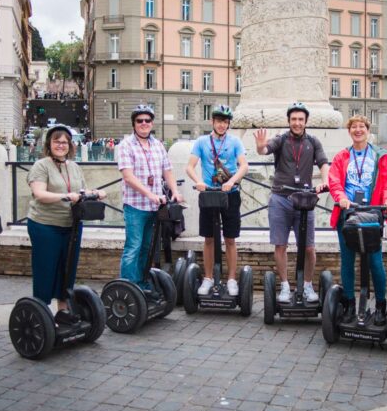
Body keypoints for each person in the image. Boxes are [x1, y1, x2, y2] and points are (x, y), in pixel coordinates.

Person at [26, 124, 105, 324]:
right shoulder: (41, 166)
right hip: (45, 225)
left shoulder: (74, 166)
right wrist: (65, 196)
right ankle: (41, 312)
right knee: (46, 268)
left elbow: (81, 191)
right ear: (49, 144)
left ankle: (63, 309)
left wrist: (94, 193)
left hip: (71, 225)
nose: (61, 145)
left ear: (70, 145)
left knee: (67, 268)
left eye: (64, 142)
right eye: (56, 141)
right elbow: (39, 194)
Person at [254, 102, 329, 304]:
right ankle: (286, 285)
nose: (297, 123)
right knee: (280, 245)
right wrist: (260, 146)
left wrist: (325, 181)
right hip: (280, 198)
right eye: (294, 119)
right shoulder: (281, 140)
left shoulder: (313, 142)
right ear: (289, 121)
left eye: (300, 120)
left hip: (305, 199)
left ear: (306, 122)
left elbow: (323, 163)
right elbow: (265, 150)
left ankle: (306, 285)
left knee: (309, 247)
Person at [328, 115, 387, 324]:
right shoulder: (342, 156)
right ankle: (349, 303)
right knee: (347, 260)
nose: (358, 130)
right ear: (349, 132)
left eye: (361, 127)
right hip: (348, 214)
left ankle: (380, 305)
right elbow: (334, 180)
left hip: (372, 214)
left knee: (375, 262)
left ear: (368, 130)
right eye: (354, 127)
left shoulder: (379, 156)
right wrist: (341, 198)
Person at [117, 105, 183, 293]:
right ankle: (127, 289)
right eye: (140, 121)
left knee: (147, 248)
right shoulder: (125, 146)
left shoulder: (158, 144)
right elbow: (128, 177)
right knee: (133, 248)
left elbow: (167, 171)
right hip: (135, 206)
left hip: (155, 208)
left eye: (147, 120)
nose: (144, 123)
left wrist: (175, 191)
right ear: (134, 124)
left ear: (152, 123)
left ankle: (142, 284)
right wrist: (151, 194)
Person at [186, 105, 249, 296]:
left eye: (225, 121)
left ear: (228, 123)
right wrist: (198, 182)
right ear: (212, 122)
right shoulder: (201, 141)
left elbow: (244, 166)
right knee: (208, 238)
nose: (221, 125)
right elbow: (190, 166)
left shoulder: (235, 142)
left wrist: (231, 181)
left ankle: (230, 279)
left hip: (230, 194)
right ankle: (207, 278)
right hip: (209, 194)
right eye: (218, 121)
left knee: (230, 239)